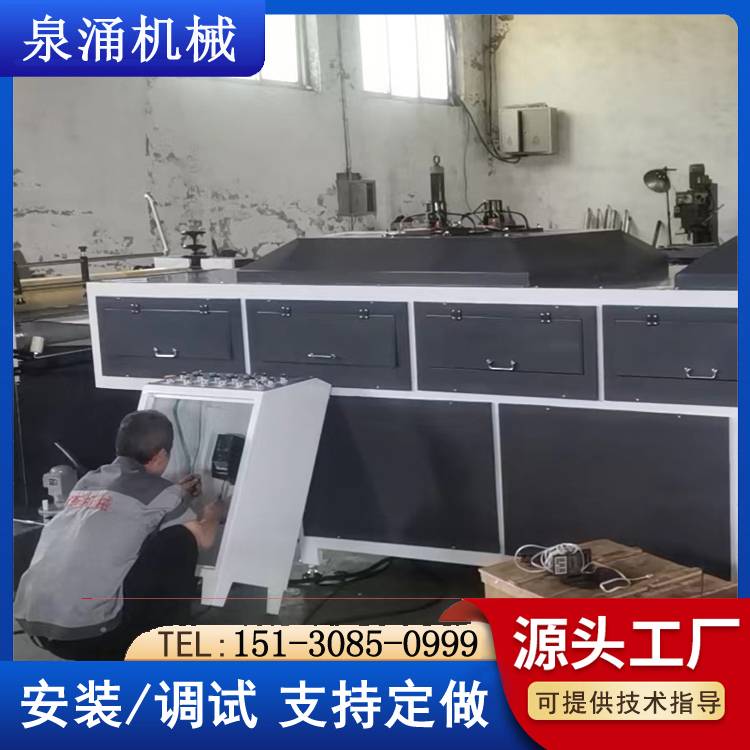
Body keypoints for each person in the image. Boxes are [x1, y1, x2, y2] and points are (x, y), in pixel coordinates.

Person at [14, 409, 223, 660]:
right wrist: (213, 513)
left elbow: (122, 512)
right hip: (91, 638)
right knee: (181, 539)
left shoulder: (89, 481)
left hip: (36, 625)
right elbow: (205, 539)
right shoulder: (164, 494)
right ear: (161, 455)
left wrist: (176, 493)